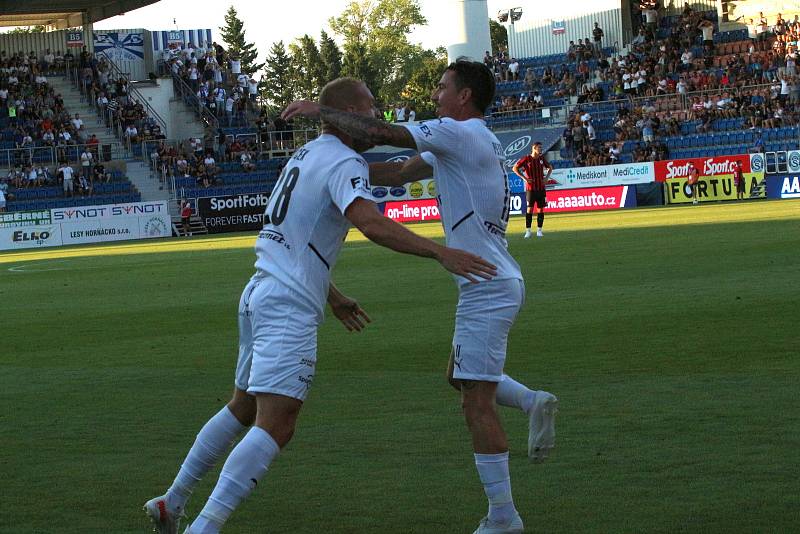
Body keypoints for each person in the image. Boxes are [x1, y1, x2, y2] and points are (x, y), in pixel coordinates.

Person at [145, 77, 497, 534]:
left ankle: (172, 502)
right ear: (348, 112)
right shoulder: (344, 160)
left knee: (244, 408)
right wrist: (439, 252)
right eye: (369, 109)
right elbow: (370, 223)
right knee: (278, 424)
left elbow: (296, 235)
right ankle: (203, 527)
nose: (376, 116)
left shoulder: (305, 155)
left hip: (260, 292)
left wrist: (333, 295)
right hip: (287, 306)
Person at [283, 60, 558, 534]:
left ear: (464, 96)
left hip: (485, 284)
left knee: (476, 402)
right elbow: (395, 173)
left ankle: (503, 517)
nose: (434, 94)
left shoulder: (456, 131)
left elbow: (382, 130)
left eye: (442, 86)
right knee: (460, 375)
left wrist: (319, 111)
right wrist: (325, 168)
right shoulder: (468, 140)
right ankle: (533, 401)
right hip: (493, 280)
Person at [513, 141, 553, 239]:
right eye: (539, 147)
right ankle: (528, 231)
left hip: (541, 188)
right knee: (529, 209)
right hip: (531, 189)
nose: (541, 149)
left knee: (540, 209)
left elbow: (550, 168)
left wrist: (546, 178)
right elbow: (515, 168)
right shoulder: (526, 159)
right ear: (534, 148)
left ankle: (539, 230)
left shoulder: (541, 159)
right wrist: (524, 178)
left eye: (541, 148)